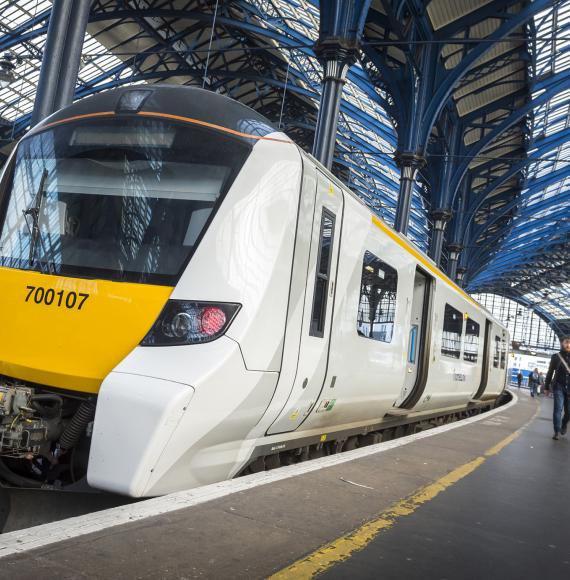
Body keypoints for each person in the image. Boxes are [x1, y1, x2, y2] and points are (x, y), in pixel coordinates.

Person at [544, 336, 570, 440]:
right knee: (558, 409)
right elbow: (550, 372)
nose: (568, 345)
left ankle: (564, 424)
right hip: (558, 386)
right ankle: (557, 431)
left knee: (569, 412)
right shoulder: (556, 357)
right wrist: (546, 386)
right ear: (561, 343)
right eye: (566, 342)